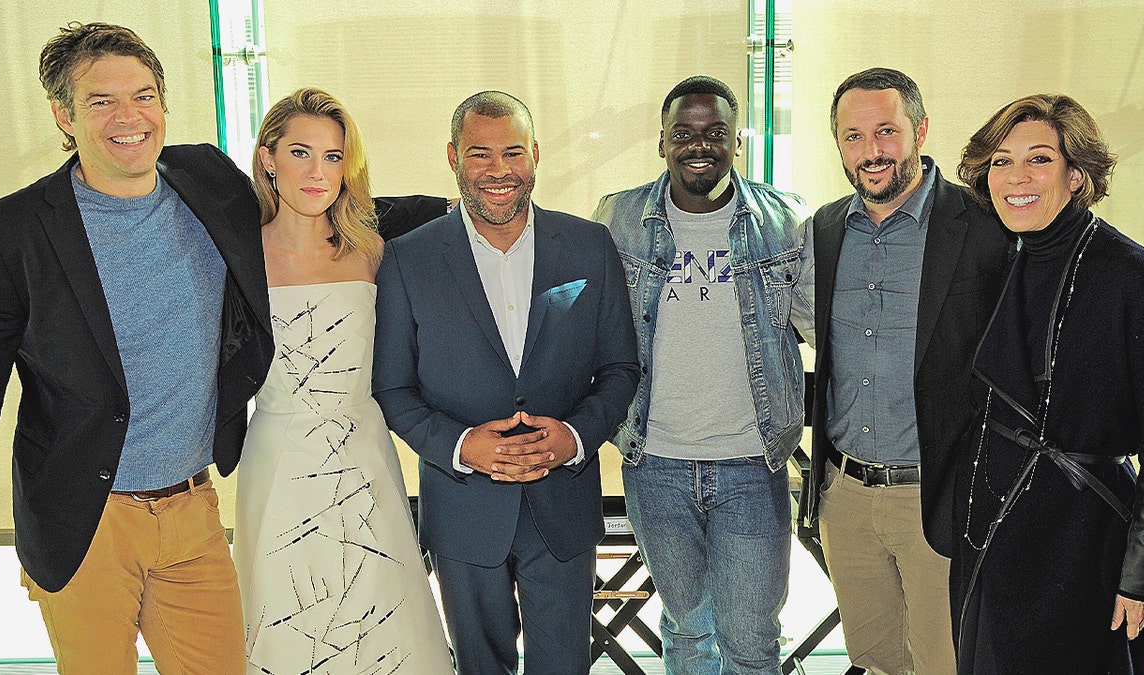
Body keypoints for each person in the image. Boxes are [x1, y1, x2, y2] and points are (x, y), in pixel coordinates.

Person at [0, 22, 272, 672]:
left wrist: (444, 212)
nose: (128, 117)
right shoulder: (8, 234)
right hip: (85, 521)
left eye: (143, 95)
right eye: (101, 101)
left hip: (193, 509)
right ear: (63, 115)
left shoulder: (209, 181)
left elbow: (304, 217)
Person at [372, 90, 640, 674]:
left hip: (562, 505)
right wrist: (464, 447)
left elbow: (621, 368)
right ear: (452, 157)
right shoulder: (407, 259)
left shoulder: (588, 246)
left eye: (513, 153)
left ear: (536, 155)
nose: (498, 171)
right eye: (479, 154)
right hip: (463, 508)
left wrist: (574, 436)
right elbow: (393, 389)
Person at [591, 75, 814, 674]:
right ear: (661, 141)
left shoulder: (784, 222)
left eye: (715, 132)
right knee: (689, 628)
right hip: (654, 460)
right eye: (683, 132)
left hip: (752, 462)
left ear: (736, 141)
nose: (700, 144)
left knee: (750, 639)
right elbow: (586, 325)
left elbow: (826, 330)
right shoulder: (619, 219)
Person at [796, 67, 1012, 674]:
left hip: (939, 495)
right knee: (878, 659)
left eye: (885, 132)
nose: (871, 152)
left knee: (946, 664)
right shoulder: (826, 228)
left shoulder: (985, 227)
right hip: (845, 496)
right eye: (853, 136)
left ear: (920, 129)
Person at [232, 88, 453, 675]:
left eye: (333, 157)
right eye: (300, 152)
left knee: (382, 622)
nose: (317, 172)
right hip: (276, 462)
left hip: (366, 461)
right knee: (285, 624)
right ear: (267, 159)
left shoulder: (377, 252)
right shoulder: (234, 258)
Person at [951, 93, 1144, 674]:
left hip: (1083, 549)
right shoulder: (999, 262)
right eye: (1000, 161)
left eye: (1038, 159)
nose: (1016, 177)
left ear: (1077, 175)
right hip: (992, 536)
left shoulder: (1136, 277)